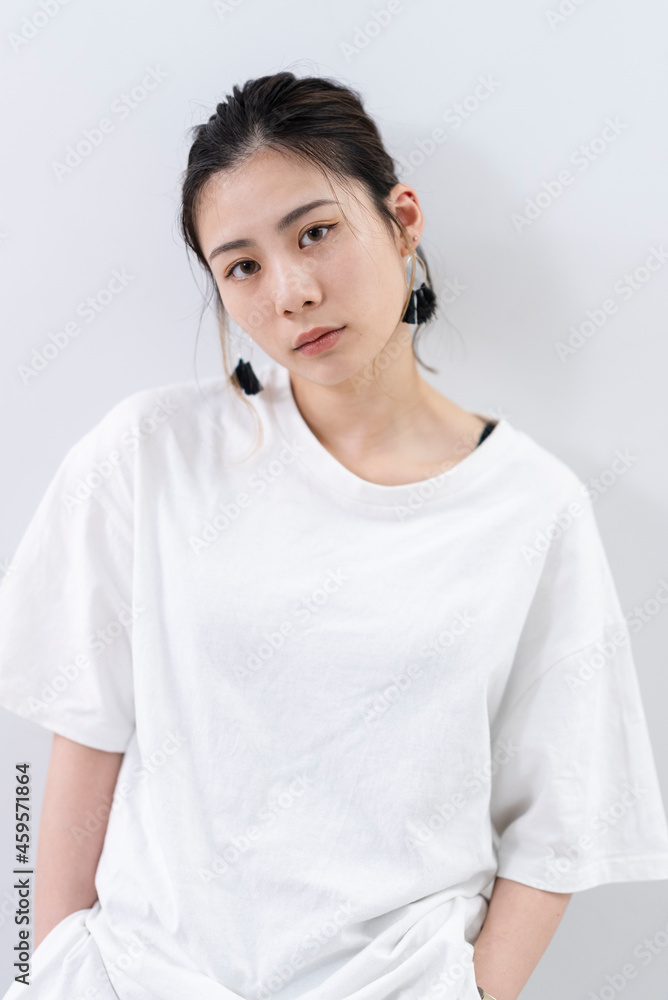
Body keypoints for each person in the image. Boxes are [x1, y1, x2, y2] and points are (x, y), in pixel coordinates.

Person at [1, 70, 667, 1000]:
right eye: (242, 266)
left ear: (402, 220)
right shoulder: (151, 455)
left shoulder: (531, 507)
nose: (293, 291)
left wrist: (473, 991)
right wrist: (44, 964)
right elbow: (80, 732)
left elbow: (563, 818)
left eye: (314, 232)